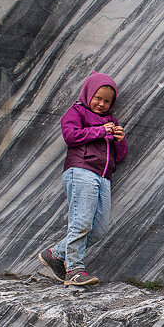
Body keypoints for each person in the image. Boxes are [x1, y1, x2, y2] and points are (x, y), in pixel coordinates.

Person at [37, 72, 127, 286]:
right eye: (98, 98)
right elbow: (70, 136)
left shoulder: (111, 121)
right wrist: (99, 131)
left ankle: (55, 254)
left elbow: (120, 155)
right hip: (81, 170)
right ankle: (75, 270)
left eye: (107, 101)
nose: (101, 104)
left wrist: (120, 140)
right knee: (81, 223)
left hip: (104, 177)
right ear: (88, 94)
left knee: (99, 229)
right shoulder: (76, 111)